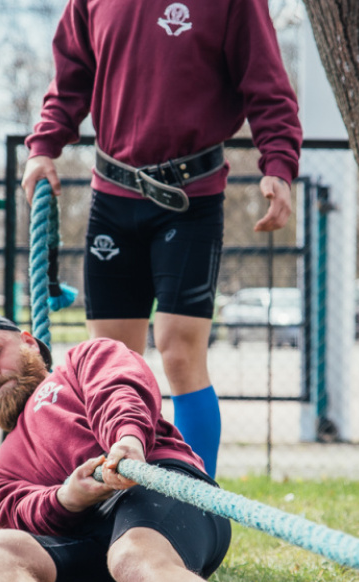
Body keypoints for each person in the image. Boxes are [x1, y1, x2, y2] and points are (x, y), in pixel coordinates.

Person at [20, 0, 303, 478]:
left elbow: (266, 85)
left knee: (180, 348)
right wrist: (43, 146)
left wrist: (278, 164)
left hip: (191, 198)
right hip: (112, 195)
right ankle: (116, 496)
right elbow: (71, 78)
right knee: (111, 361)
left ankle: (197, 499)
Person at [0, 311, 247, 582]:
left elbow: (116, 390)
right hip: (93, 557)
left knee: (132, 556)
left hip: (163, 497)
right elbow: (17, 512)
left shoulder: (83, 359)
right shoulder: (3, 469)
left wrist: (126, 439)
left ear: (29, 342)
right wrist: (66, 498)